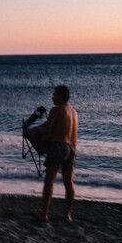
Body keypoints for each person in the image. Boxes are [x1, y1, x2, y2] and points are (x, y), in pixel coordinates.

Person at [39, 85, 78, 222]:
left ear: (62, 96)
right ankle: (68, 215)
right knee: (69, 182)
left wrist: (35, 129)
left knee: (49, 180)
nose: (52, 97)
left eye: (55, 95)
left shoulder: (56, 110)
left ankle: (44, 214)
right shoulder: (74, 112)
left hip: (59, 146)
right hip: (72, 148)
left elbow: (48, 128)